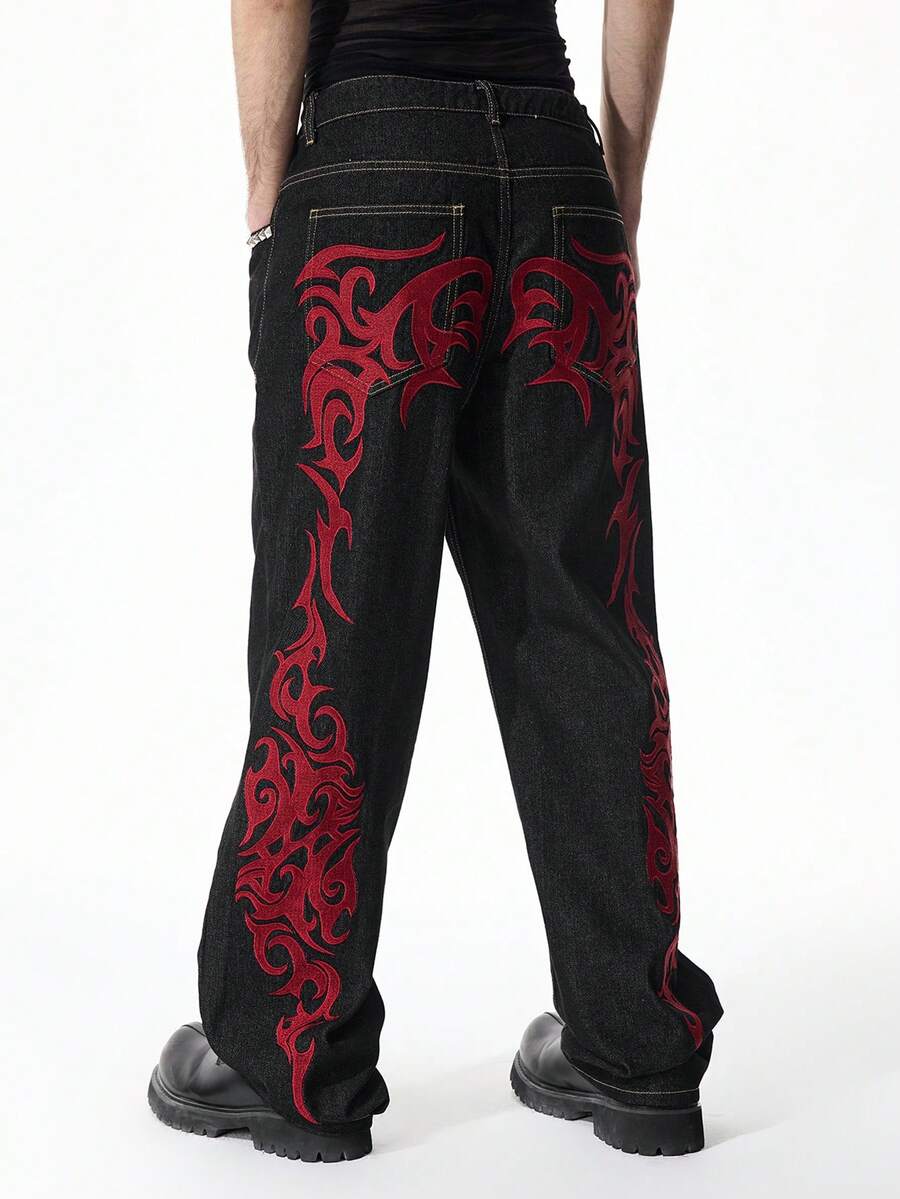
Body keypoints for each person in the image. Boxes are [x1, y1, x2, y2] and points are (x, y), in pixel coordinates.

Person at [147, 0, 722, 1163]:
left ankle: (291, 1052)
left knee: (335, 621)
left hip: (372, 182)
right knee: (589, 623)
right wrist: (616, 188)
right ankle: (636, 1043)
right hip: (557, 175)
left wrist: (267, 200)